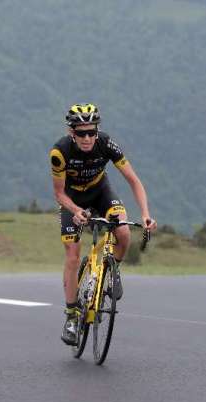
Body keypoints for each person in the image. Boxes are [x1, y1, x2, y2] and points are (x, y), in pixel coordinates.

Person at [49, 103, 157, 346]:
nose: (87, 138)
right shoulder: (60, 152)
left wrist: (146, 214)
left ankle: (112, 270)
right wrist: (76, 211)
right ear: (71, 132)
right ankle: (71, 316)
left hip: (101, 192)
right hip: (72, 200)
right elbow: (58, 194)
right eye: (80, 132)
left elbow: (133, 180)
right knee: (73, 255)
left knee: (123, 233)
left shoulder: (106, 144)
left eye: (91, 131)